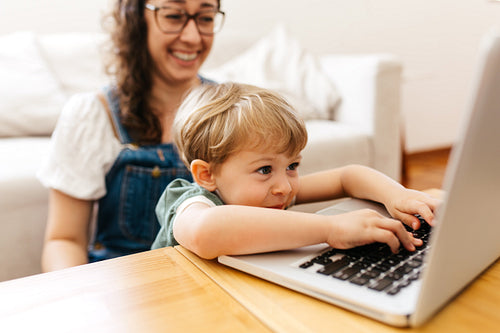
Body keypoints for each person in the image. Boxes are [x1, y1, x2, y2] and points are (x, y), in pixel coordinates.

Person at [151, 82, 441, 259]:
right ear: (207, 175)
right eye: (265, 169)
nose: (286, 187)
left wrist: (397, 195)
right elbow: (207, 231)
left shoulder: (272, 191)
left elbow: (348, 176)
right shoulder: (190, 202)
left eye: (292, 166)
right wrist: (331, 229)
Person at [37, 0, 225, 271]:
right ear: (136, 20)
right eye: (174, 16)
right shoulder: (92, 114)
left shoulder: (232, 110)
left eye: (206, 18)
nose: (193, 36)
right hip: (118, 296)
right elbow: (64, 240)